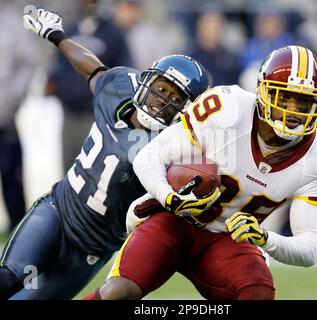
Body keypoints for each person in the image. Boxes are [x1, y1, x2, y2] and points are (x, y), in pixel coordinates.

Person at [83, 45, 317, 300]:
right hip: (174, 221)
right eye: (284, 96)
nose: (293, 109)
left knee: (257, 294)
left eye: (304, 101)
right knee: (119, 293)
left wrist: (264, 238)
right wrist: (169, 196)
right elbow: (149, 157)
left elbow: (309, 249)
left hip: (228, 241)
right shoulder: (228, 107)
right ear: (263, 92)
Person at [0, 6, 210, 300]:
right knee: (8, 279)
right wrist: (57, 36)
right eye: (162, 88)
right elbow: (93, 69)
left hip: (90, 250)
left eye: (176, 98)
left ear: (185, 110)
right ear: (147, 81)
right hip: (56, 213)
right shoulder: (119, 87)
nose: (164, 100)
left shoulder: (173, 148)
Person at [46, 0, 132, 173]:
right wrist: (55, 82)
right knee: (69, 170)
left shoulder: (113, 33)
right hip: (69, 111)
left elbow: (123, 72)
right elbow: (59, 63)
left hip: (96, 115)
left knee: (92, 171)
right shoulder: (71, 28)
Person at [0, 0, 39, 233]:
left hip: (4, 116)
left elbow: (28, 65)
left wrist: (9, 102)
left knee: (11, 177)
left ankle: (18, 232)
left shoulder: (13, 21)